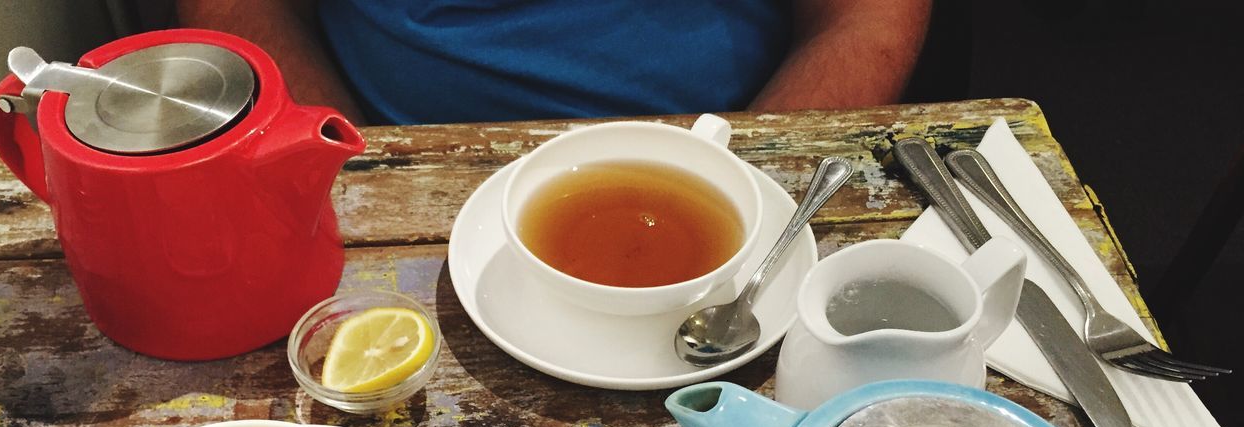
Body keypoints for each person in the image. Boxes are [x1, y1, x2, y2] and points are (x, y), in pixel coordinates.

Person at [176, 0, 932, 125]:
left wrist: (753, 180)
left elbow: (861, 15)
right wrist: (340, 171)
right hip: (388, 158)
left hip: (733, 146)